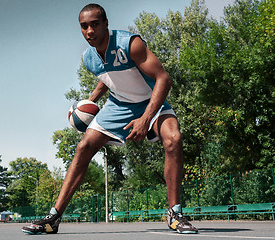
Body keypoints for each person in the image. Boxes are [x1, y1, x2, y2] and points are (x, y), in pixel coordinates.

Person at [22, 3, 198, 235]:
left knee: (173, 139)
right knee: (84, 146)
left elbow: (163, 78)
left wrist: (146, 118)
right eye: (84, 27)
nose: (89, 31)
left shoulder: (130, 44)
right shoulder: (89, 58)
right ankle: (52, 218)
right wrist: (91, 101)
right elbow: (109, 75)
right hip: (118, 106)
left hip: (152, 101)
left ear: (106, 23)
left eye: (95, 25)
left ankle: (175, 213)